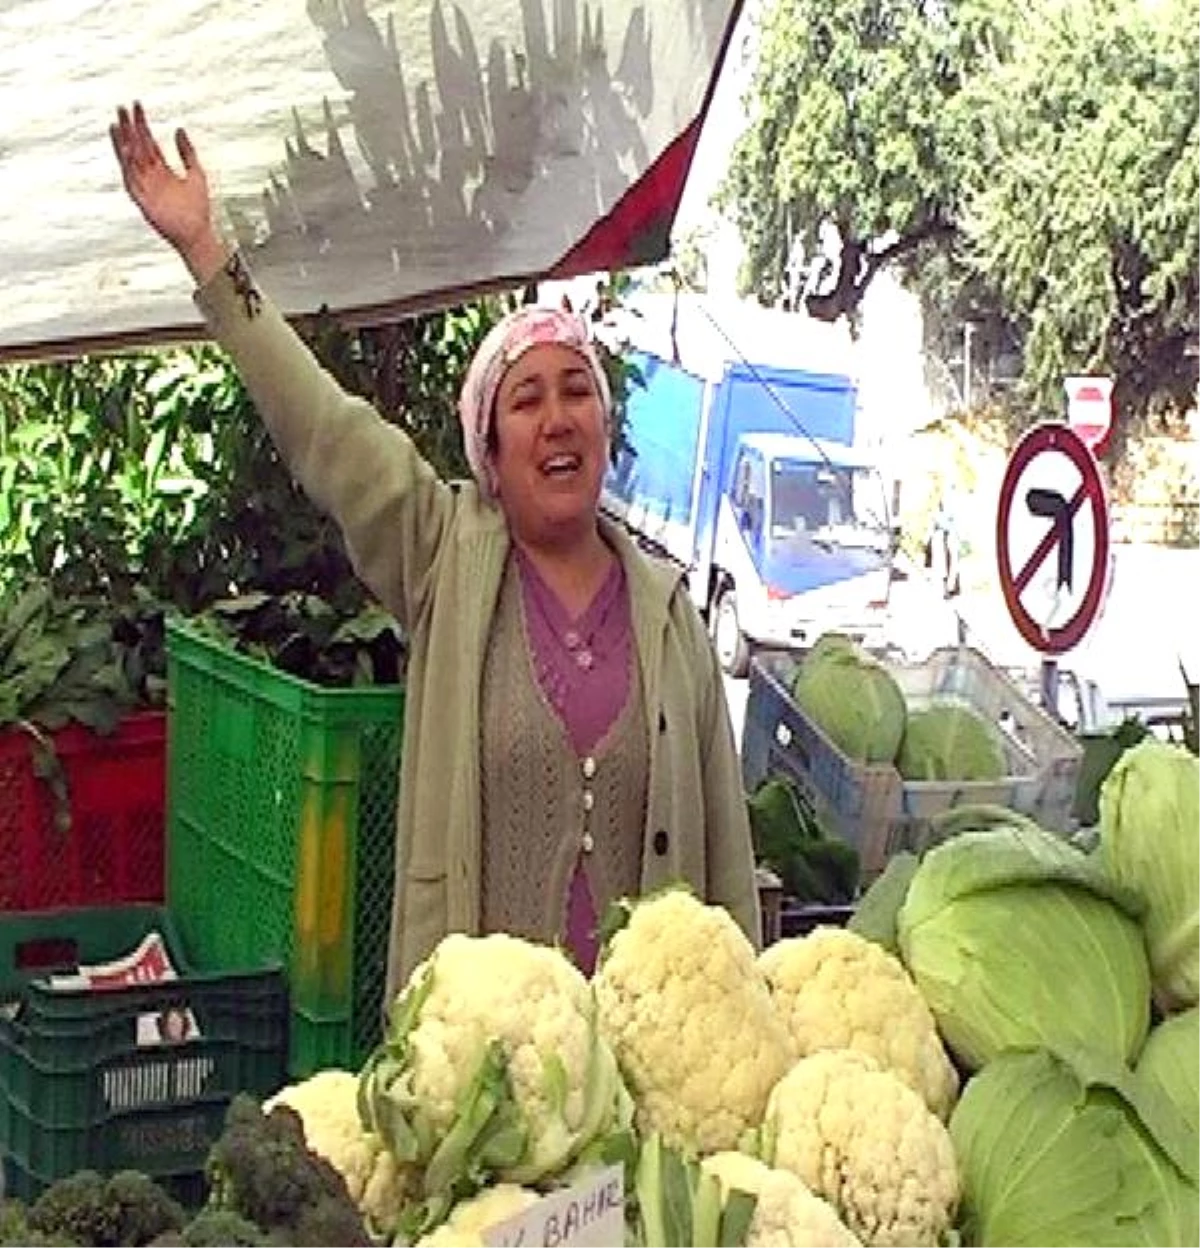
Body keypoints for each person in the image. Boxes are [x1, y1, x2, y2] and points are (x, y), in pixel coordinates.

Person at [109, 103, 760, 1001]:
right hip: (476, 1073)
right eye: (526, 401)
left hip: (640, 1077)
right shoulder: (446, 553)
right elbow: (323, 427)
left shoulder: (670, 611)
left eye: (579, 392)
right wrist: (209, 258)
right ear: (488, 453)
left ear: (607, 431)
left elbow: (726, 857)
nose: (559, 416)